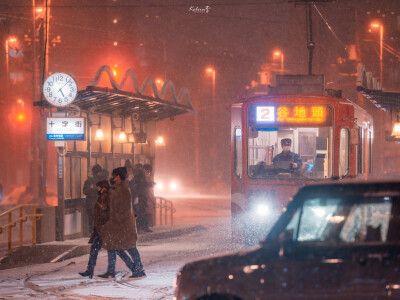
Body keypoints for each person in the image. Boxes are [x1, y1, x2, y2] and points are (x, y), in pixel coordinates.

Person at [99, 167, 146, 280]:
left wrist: (114, 219)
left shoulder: (123, 189)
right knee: (115, 247)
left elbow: (123, 208)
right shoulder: (119, 188)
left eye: (113, 175)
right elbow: (117, 205)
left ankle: (137, 269)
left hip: (122, 224)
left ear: (118, 176)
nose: (112, 178)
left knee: (125, 247)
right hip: (119, 224)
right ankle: (131, 269)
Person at [79, 180, 111, 279]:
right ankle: (90, 270)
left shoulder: (106, 196)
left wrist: (102, 208)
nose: (97, 189)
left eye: (98, 187)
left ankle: (135, 267)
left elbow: (107, 211)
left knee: (113, 250)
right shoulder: (104, 196)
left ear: (103, 187)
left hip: (103, 228)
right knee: (95, 248)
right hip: (100, 228)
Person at [83, 164, 108, 233]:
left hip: (92, 204)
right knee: (97, 218)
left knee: (92, 219)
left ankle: (93, 232)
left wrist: (92, 188)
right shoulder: (101, 181)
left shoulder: (89, 181)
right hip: (98, 204)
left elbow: (85, 191)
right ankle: (96, 232)